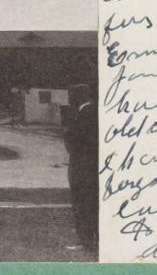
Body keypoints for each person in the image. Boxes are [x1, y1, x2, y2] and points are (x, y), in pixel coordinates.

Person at [64, 83, 99, 254]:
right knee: (91, 204)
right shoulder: (94, 112)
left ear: (79, 96)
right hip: (91, 166)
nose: (70, 99)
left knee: (82, 203)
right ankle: (93, 240)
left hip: (81, 166)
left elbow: (74, 142)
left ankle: (86, 242)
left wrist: (68, 135)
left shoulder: (84, 114)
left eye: (72, 95)